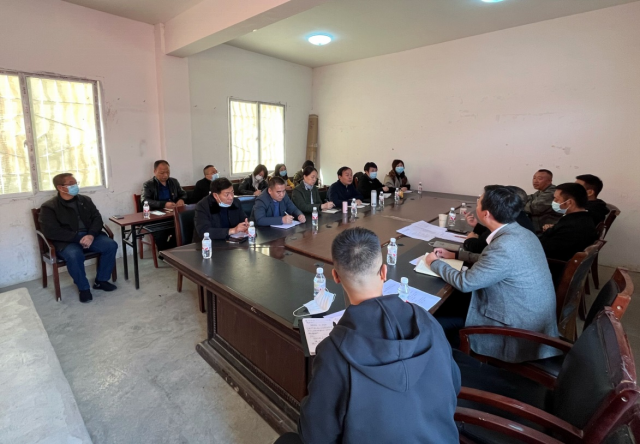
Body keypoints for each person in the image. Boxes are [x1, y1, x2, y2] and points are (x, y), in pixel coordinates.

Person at [277, 227, 460, 444]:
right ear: (384, 272)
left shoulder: (333, 352)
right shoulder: (425, 320)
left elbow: (315, 436)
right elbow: (454, 383)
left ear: (335, 277)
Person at [424, 185, 560, 363]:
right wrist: (456, 255)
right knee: (452, 302)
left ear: (486, 214)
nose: (476, 204)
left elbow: (466, 283)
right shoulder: (520, 232)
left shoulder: (504, 246)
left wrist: (434, 263)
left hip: (514, 329)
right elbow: (490, 260)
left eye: (478, 202)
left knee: (431, 319)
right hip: (526, 314)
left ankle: (448, 362)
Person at [39, 173, 118, 303]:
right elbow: (51, 231)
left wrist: (91, 235)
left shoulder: (85, 200)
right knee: (74, 255)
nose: (75, 186)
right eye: (71, 184)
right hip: (67, 241)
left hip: (90, 236)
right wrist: (77, 238)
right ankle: (83, 288)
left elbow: (97, 219)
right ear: (60, 187)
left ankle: (101, 281)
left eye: (76, 183)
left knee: (110, 245)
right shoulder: (49, 207)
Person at [463, 186, 535, 254]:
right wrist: (476, 226)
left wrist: (469, 240)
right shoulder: (519, 217)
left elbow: (480, 247)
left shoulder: (508, 228)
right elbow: (493, 233)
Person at [538, 183, 597, 262]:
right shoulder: (583, 217)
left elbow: (546, 249)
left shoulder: (573, 227)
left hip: (551, 263)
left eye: (556, 199)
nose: (554, 202)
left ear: (569, 202)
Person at [141, 160, 187, 250]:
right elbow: (144, 200)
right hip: (157, 218)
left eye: (167, 172)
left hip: (173, 215)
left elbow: (183, 194)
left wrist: (181, 200)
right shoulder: (148, 184)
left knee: (184, 227)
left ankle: (178, 251)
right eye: (162, 173)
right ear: (155, 171)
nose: (165, 175)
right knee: (161, 233)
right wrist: (164, 204)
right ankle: (164, 254)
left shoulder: (174, 182)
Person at [193, 177, 249, 243]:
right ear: (215, 195)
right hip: (208, 244)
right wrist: (232, 230)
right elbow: (203, 231)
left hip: (232, 242)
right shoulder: (203, 206)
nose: (231, 197)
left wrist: (246, 226)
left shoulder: (236, 202)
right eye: (227, 194)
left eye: (232, 192)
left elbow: (243, 219)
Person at [524, 169, 561, 233]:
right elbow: (525, 198)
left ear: (549, 181)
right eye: (534, 178)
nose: (535, 181)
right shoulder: (539, 192)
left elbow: (534, 208)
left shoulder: (552, 192)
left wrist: (517, 206)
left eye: (539, 178)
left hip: (548, 231)